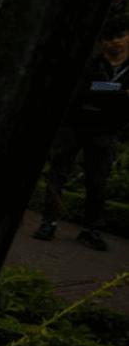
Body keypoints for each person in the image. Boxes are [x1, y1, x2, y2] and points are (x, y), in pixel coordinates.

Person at [33, 14, 129, 251]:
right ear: (101, 43)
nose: (115, 42)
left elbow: (93, 92)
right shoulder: (89, 63)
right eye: (109, 38)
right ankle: (49, 222)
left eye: (120, 36)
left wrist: (98, 92)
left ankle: (91, 230)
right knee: (58, 174)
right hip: (73, 127)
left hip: (106, 130)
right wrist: (119, 93)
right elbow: (77, 93)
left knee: (98, 182)